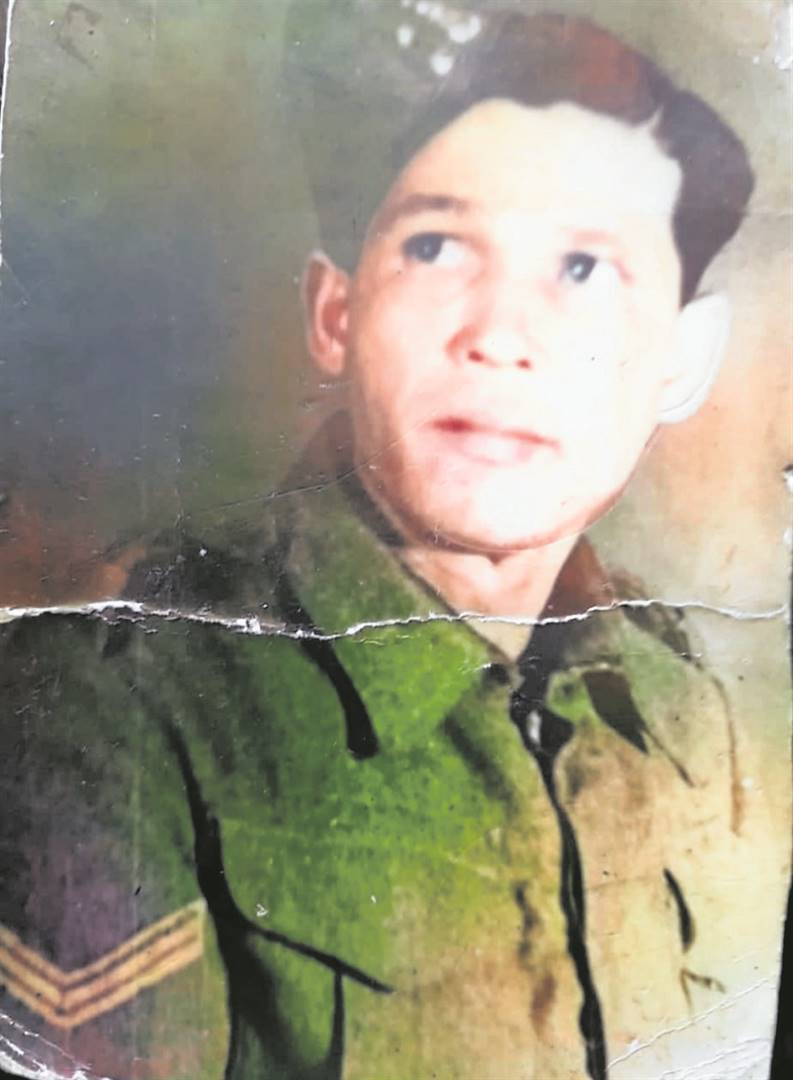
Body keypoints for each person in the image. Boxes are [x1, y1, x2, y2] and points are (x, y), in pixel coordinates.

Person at [0, 5, 785, 1079]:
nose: (499, 335)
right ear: (336, 314)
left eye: (583, 268)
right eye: (435, 247)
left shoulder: (691, 714)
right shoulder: (116, 711)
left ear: (682, 360)